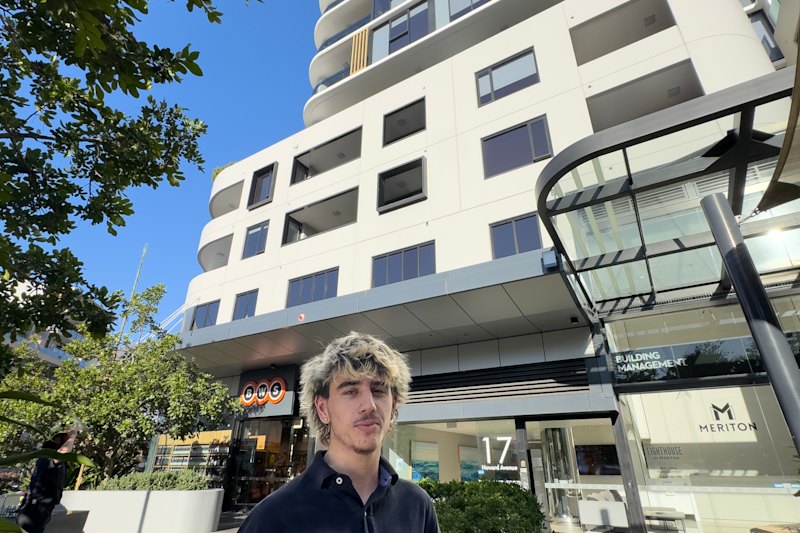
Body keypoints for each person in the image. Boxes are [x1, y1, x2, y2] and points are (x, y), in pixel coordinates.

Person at [239, 332, 439, 532]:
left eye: (378, 391)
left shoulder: (417, 505)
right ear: (323, 409)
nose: (369, 405)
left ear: (393, 405)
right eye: (350, 391)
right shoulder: (272, 518)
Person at [17, 428, 77, 533]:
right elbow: (62, 453)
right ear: (56, 440)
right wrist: (72, 437)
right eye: (64, 439)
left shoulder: (48, 457)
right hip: (34, 509)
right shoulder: (49, 455)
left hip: (40, 509)